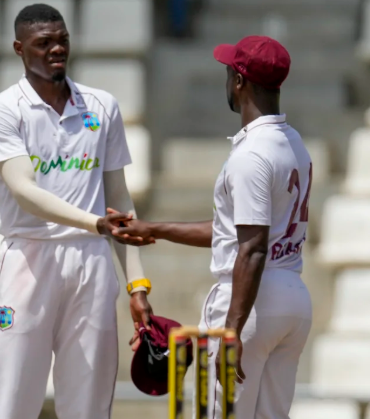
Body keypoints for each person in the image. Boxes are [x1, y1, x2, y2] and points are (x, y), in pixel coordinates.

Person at [119, 35, 313, 419]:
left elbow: (252, 248)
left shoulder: (252, 155)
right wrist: (154, 228)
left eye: (229, 72)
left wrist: (233, 329)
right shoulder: (293, 143)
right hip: (291, 296)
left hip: (251, 301)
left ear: (239, 81)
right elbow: (236, 232)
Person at [0, 4, 154, 419]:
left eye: (63, 40)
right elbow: (23, 190)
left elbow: (118, 197)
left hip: (91, 263)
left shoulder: (102, 106)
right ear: (19, 48)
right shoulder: (0, 110)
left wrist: (137, 284)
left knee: (89, 403)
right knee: (12, 398)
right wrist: (94, 222)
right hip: (29, 259)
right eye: (44, 43)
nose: (57, 49)